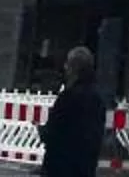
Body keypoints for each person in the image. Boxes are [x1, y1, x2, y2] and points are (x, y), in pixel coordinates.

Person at [41, 45, 110, 177]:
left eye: (68, 64)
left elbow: (53, 132)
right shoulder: (97, 99)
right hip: (85, 169)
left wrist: (43, 131)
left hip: (61, 167)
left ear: (74, 68)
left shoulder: (68, 97)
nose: (65, 68)